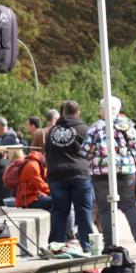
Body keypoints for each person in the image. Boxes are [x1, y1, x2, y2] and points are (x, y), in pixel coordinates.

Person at [81, 96, 136, 253]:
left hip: (101, 174)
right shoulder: (128, 126)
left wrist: (96, 156)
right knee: (129, 205)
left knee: (105, 209)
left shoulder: (95, 128)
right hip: (126, 173)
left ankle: (109, 244)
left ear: (102, 111)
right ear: (117, 110)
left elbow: (85, 151)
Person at [44, 100, 95, 251]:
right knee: (84, 211)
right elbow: (91, 151)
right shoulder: (84, 129)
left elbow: (47, 152)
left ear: (63, 112)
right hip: (80, 174)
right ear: (77, 112)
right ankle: (88, 247)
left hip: (57, 175)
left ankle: (55, 247)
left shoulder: (52, 131)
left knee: (59, 212)